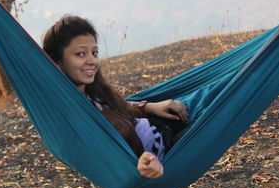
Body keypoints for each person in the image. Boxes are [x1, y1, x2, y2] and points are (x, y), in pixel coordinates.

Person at [42, 15, 189, 179]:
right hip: (167, 151)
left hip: (160, 126)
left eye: (94, 52)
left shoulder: (92, 91)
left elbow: (116, 107)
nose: (93, 61)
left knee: (208, 92)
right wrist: (137, 168)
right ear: (56, 62)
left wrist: (148, 107)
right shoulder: (71, 114)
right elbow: (99, 156)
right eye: (81, 54)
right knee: (219, 112)